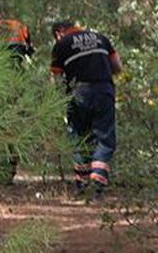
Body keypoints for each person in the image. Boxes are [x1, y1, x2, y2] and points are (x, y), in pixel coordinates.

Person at [50, 20, 122, 199]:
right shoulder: (101, 38)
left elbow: (56, 79)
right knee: (104, 139)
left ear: (59, 33)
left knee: (79, 137)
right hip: (104, 90)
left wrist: (59, 101)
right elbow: (117, 67)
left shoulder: (61, 44)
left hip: (78, 92)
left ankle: (82, 185)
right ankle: (97, 185)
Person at [0, 16, 35, 184]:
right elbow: (29, 53)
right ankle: (9, 170)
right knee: (12, 125)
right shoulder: (20, 26)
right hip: (16, 80)